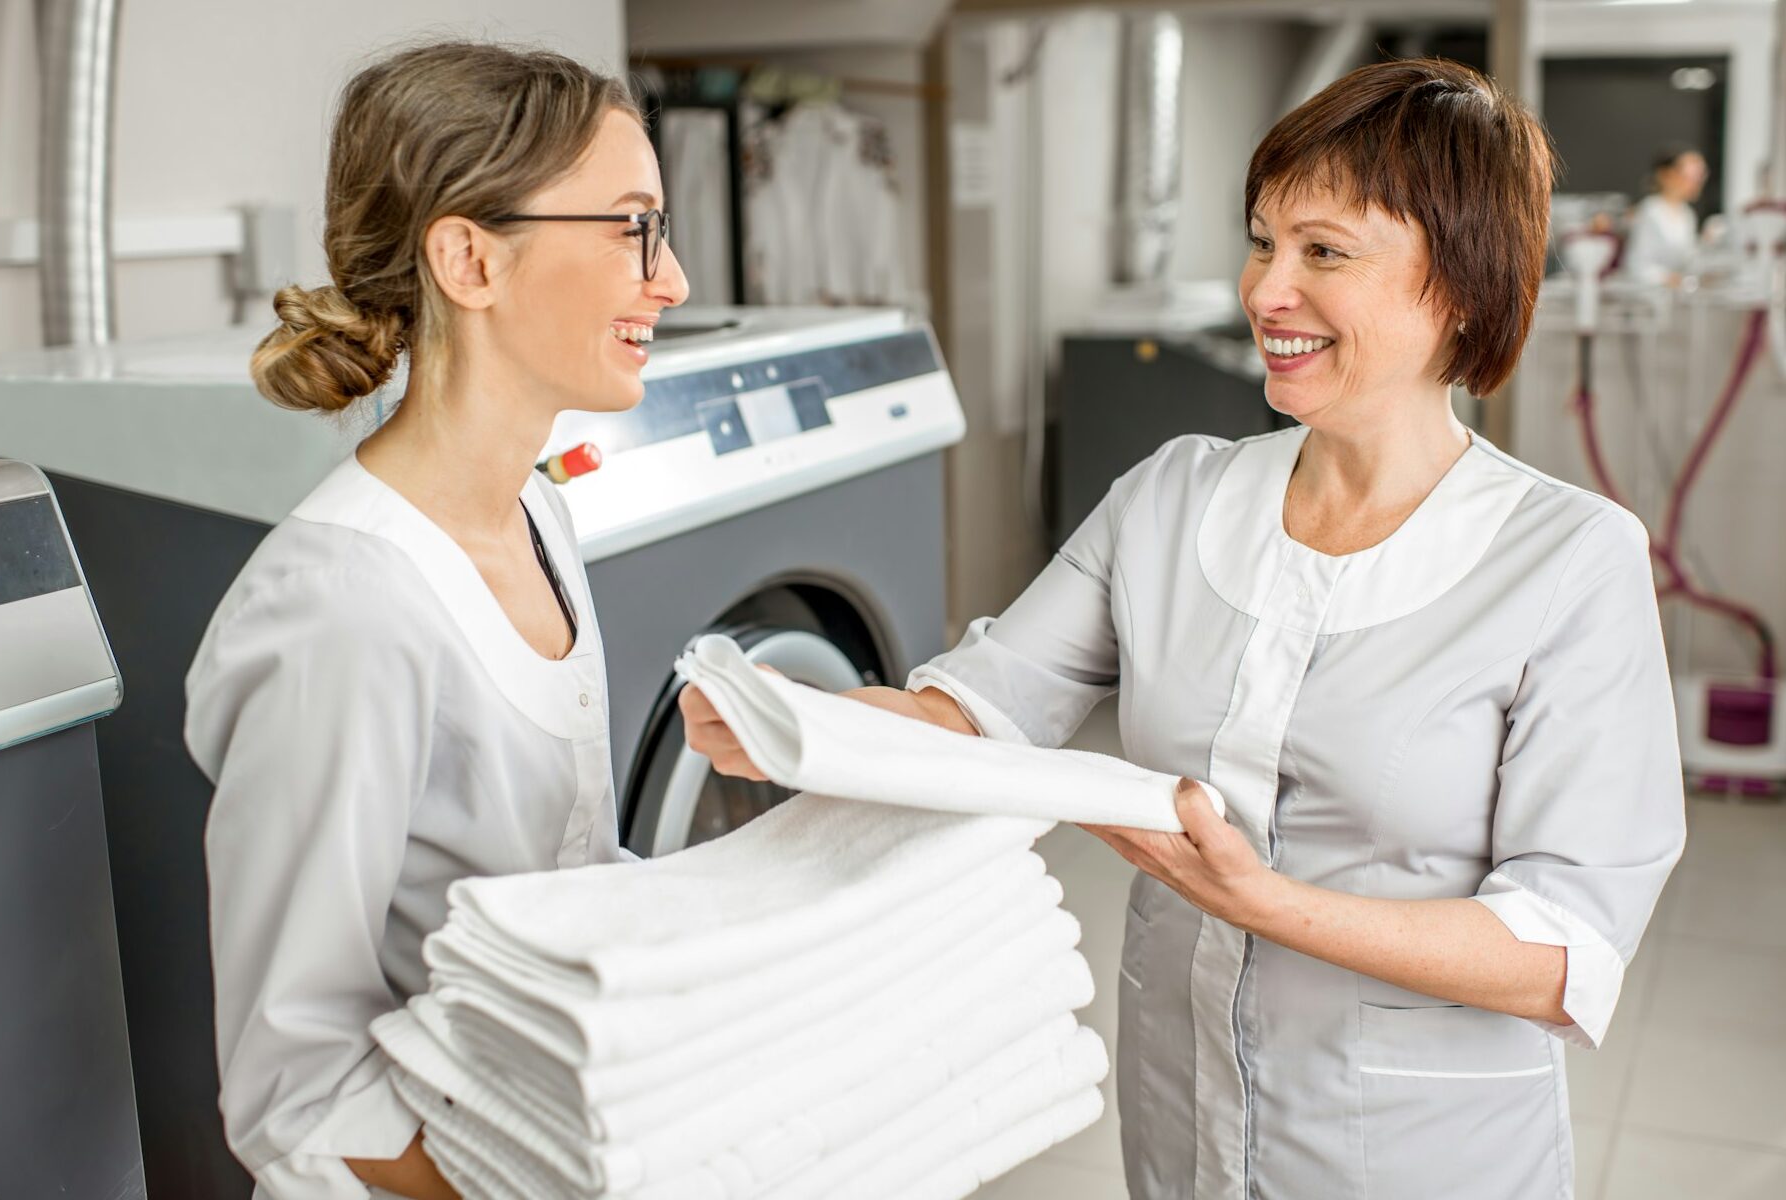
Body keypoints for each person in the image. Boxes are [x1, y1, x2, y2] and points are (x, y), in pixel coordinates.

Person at [684, 59, 1685, 1199]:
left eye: (1325, 251)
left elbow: (1564, 952)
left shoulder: (1565, 559)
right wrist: (797, 719)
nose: (1266, 291)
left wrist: (1268, 905)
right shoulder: (1174, 497)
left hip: (1414, 1151)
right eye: (1262, 242)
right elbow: (973, 712)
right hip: (1183, 1115)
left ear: (1459, 284)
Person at [184, 41, 687, 1200]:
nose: (671, 282)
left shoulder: (539, 519)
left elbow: (565, 878)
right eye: (632, 229)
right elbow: (294, 1086)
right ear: (469, 257)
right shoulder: (341, 608)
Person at [1622, 145, 1709, 286]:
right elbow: (1636, 266)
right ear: (1666, 175)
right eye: (1691, 173)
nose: (1697, 180)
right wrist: (1668, 279)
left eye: (1701, 173)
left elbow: (1687, 260)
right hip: (1649, 297)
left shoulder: (1687, 214)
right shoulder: (1650, 211)